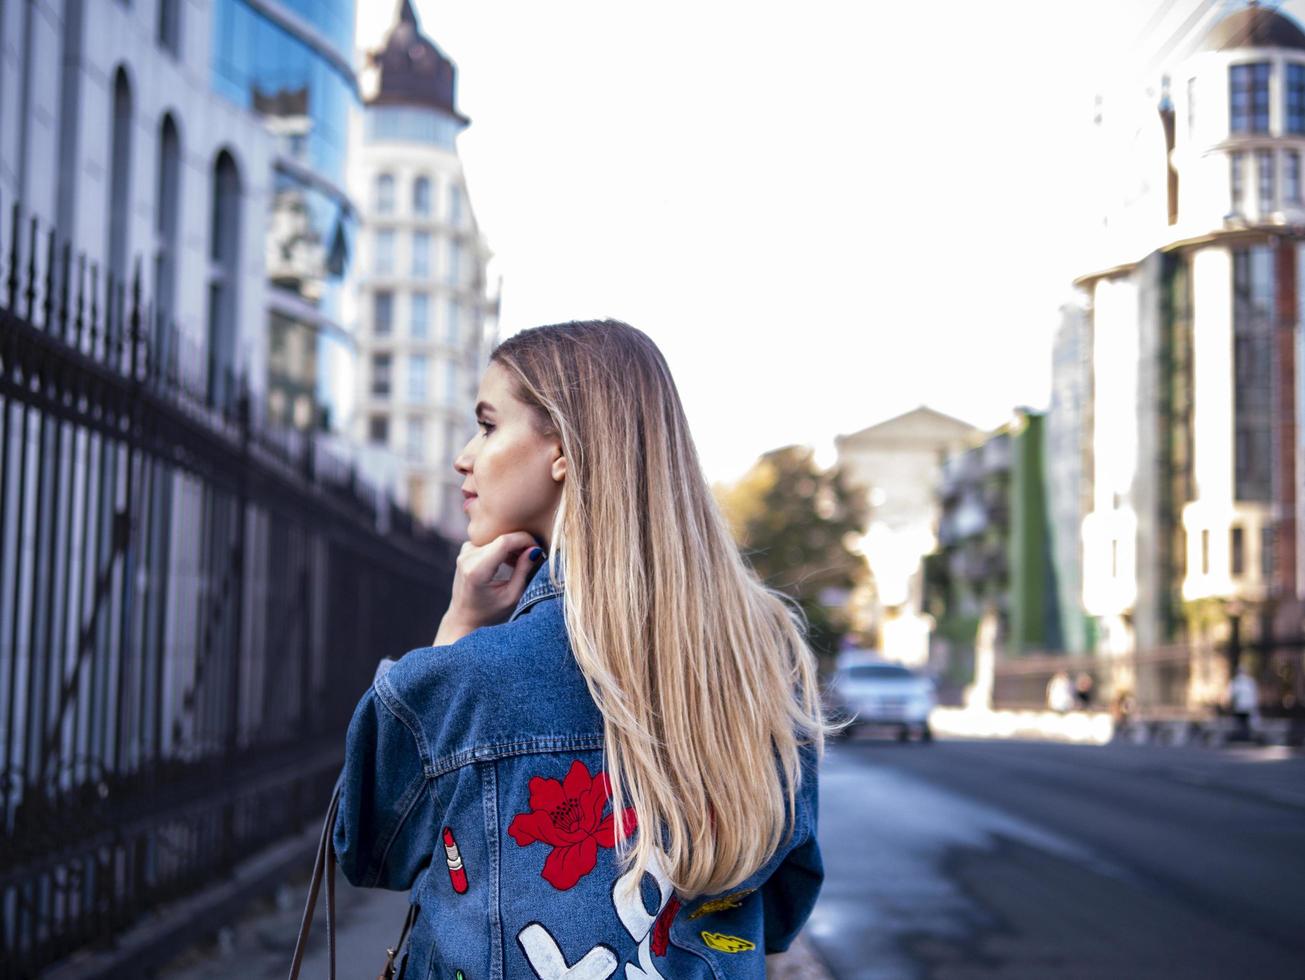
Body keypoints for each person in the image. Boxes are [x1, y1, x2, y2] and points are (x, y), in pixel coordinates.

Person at [332, 321, 827, 978]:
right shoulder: (760, 663)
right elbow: (782, 909)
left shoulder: (464, 681)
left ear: (562, 447)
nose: (463, 456)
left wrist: (456, 627)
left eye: (486, 425)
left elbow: (369, 852)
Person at [1227, 664, 1260, 742]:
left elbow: (1231, 695)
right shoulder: (1248, 682)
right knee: (1243, 724)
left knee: (1242, 724)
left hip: (1242, 708)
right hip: (1245, 708)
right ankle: (1244, 737)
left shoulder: (1237, 682)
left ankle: (1243, 737)